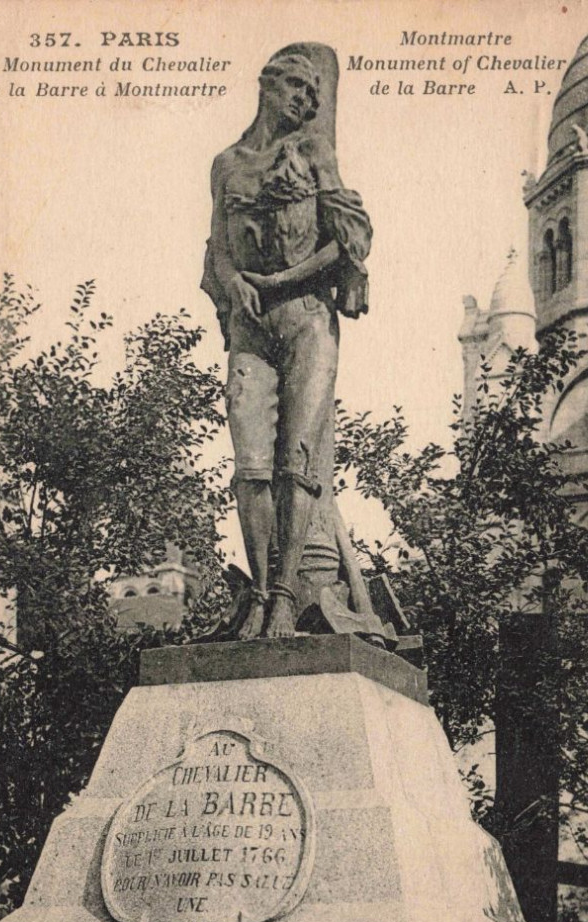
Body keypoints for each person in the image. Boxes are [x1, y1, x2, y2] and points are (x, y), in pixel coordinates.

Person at [202, 44, 372, 638]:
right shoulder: (227, 163)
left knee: (297, 462)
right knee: (250, 466)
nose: (305, 100)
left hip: (305, 319)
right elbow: (218, 245)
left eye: (313, 94)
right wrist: (230, 280)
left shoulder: (314, 150)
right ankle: (258, 591)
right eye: (296, 87)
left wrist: (276, 281)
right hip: (250, 326)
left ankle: (284, 597)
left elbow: (347, 241)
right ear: (267, 84)